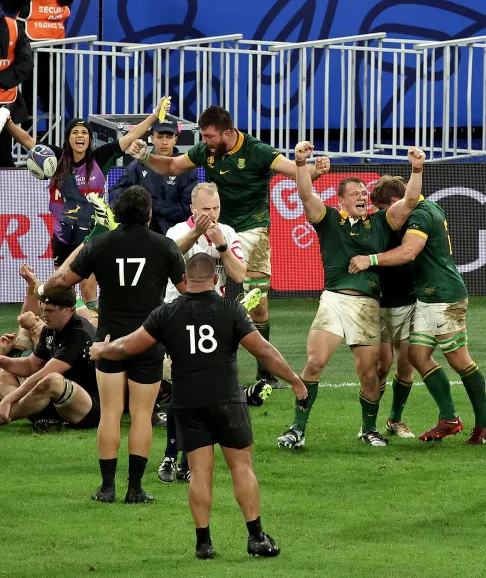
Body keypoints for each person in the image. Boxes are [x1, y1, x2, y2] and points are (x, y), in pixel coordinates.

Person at [88, 253, 309, 560]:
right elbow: (265, 352)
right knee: (241, 468)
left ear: (184, 280)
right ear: (216, 279)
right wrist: (296, 381)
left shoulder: (166, 313)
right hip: (227, 402)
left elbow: (127, 346)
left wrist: (101, 349)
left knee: (200, 473)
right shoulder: (230, 309)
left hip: (189, 404)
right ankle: (257, 537)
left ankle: (203, 543)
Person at [140, 106, 330, 390]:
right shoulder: (208, 151)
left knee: (260, 304)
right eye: (202, 136)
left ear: (227, 133)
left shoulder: (258, 151)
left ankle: (264, 371)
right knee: (211, 286)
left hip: (254, 229)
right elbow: (172, 167)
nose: (203, 141)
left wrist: (314, 168)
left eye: (208, 136)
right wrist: (145, 156)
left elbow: (296, 173)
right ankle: (207, 356)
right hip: (217, 227)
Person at [38, 185, 187, 503]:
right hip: (147, 341)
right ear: (149, 215)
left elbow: (57, 285)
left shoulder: (101, 245)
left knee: (110, 413)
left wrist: (85, 244)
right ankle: (135, 489)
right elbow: (188, 290)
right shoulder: (165, 247)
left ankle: (107, 488)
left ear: (117, 213)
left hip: (107, 340)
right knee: (142, 414)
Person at [277, 146, 422, 449]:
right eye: (354, 192)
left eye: (363, 192)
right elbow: (305, 194)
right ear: (340, 199)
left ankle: (369, 429)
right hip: (332, 300)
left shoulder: (381, 222)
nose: (360, 196)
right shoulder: (329, 220)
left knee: (369, 373)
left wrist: (417, 170)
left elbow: (409, 200)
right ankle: (297, 429)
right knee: (315, 363)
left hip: (368, 305)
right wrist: (301, 162)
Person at [348, 171, 486, 446]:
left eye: (384, 209)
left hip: (444, 296)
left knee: (460, 360)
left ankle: (485, 422)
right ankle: (449, 418)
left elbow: (408, 252)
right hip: (426, 297)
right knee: (417, 355)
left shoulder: (419, 215)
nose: (386, 218)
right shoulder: (427, 207)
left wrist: (370, 259)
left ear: (396, 200)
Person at [4, 97, 171, 315]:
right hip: (63, 235)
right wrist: (6, 122)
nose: (79, 136)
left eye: (84, 133)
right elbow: (27, 140)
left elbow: (131, 135)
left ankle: (91, 333)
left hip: (93, 234)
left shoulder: (101, 157)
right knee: (60, 287)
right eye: (75, 132)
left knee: (88, 285)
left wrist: (155, 114)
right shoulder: (54, 158)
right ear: (68, 138)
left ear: (90, 139)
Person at [156, 181, 248, 483]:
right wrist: (197, 232)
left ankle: (186, 461)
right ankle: (170, 457)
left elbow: (239, 274)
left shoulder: (229, 233)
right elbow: (169, 257)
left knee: (206, 392)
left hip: (214, 317)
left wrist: (220, 243)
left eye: (216, 208)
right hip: (178, 312)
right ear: (193, 209)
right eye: (206, 209)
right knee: (183, 389)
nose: (212, 214)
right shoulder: (176, 232)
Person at [0, 287, 100, 432]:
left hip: (87, 407)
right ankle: (43, 419)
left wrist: (9, 400)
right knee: (3, 376)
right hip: (56, 402)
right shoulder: (50, 328)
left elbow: (45, 373)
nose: (44, 315)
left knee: (53, 380)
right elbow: (29, 365)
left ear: (68, 310)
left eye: (50, 311)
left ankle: (7, 414)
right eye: (44, 309)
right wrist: (1, 360)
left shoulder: (79, 333)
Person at [370, 176, 418, 439]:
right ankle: (370, 425)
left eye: (380, 209)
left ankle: (395, 420)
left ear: (391, 204)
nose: (379, 216)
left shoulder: (416, 223)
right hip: (380, 302)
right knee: (382, 364)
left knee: (406, 364)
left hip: (409, 301)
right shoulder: (375, 226)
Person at [0, 0, 73, 112]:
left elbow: (8, 1)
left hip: (29, 39)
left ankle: (25, 132)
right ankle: (51, 133)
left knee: (26, 92)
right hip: (55, 41)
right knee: (51, 93)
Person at [111, 118, 197, 235]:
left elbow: (188, 210)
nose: (164, 142)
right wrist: (134, 208)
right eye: (160, 137)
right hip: (139, 232)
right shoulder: (138, 165)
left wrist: (151, 205)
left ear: (176, 139)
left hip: (173, 234)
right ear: (152, 138)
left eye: (169, 137)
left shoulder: (186, 170)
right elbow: (116, 192)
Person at [0, 16, 33, 167]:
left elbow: (26, 62)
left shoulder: (13, 26)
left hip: (4, 103)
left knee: (2, 155)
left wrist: (2, 80)